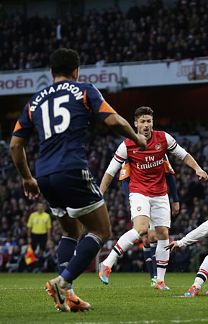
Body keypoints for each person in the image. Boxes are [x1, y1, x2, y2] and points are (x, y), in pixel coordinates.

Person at [10, 48, 147, 312]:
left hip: (44, 175)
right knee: (101, 230)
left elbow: (16, 146)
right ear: (76, 71)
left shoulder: (34, 102)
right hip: (71, 169)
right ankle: (63, 281)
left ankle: (68, 295)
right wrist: (137, 138)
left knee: (70, 231)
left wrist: (27, 178)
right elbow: (114, 120)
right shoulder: (84, 89)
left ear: (51, 72)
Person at [98, 106, 208, 290]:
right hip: (139, 192)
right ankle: (108, 263)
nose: (146, 125)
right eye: (142, 121)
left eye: (149, 121)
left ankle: (160, 281)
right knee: (141, 230)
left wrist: (197, 168)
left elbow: (183, 155)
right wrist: (100, 193)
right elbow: (110, 172)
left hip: (160, 194)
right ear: (135, 124)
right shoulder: (127, 144)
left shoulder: (163, 138)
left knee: (163, 234)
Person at [118, 157, 180, 287]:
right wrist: (129, 201)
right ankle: (153, 276)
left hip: (156, 198)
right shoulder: (130, 153)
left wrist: (175, 199)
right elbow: (125, 180)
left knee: (153, 236)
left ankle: (158, 277)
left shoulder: (160, 152)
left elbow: (169, 175)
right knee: (145, 239)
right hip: (140, 198)